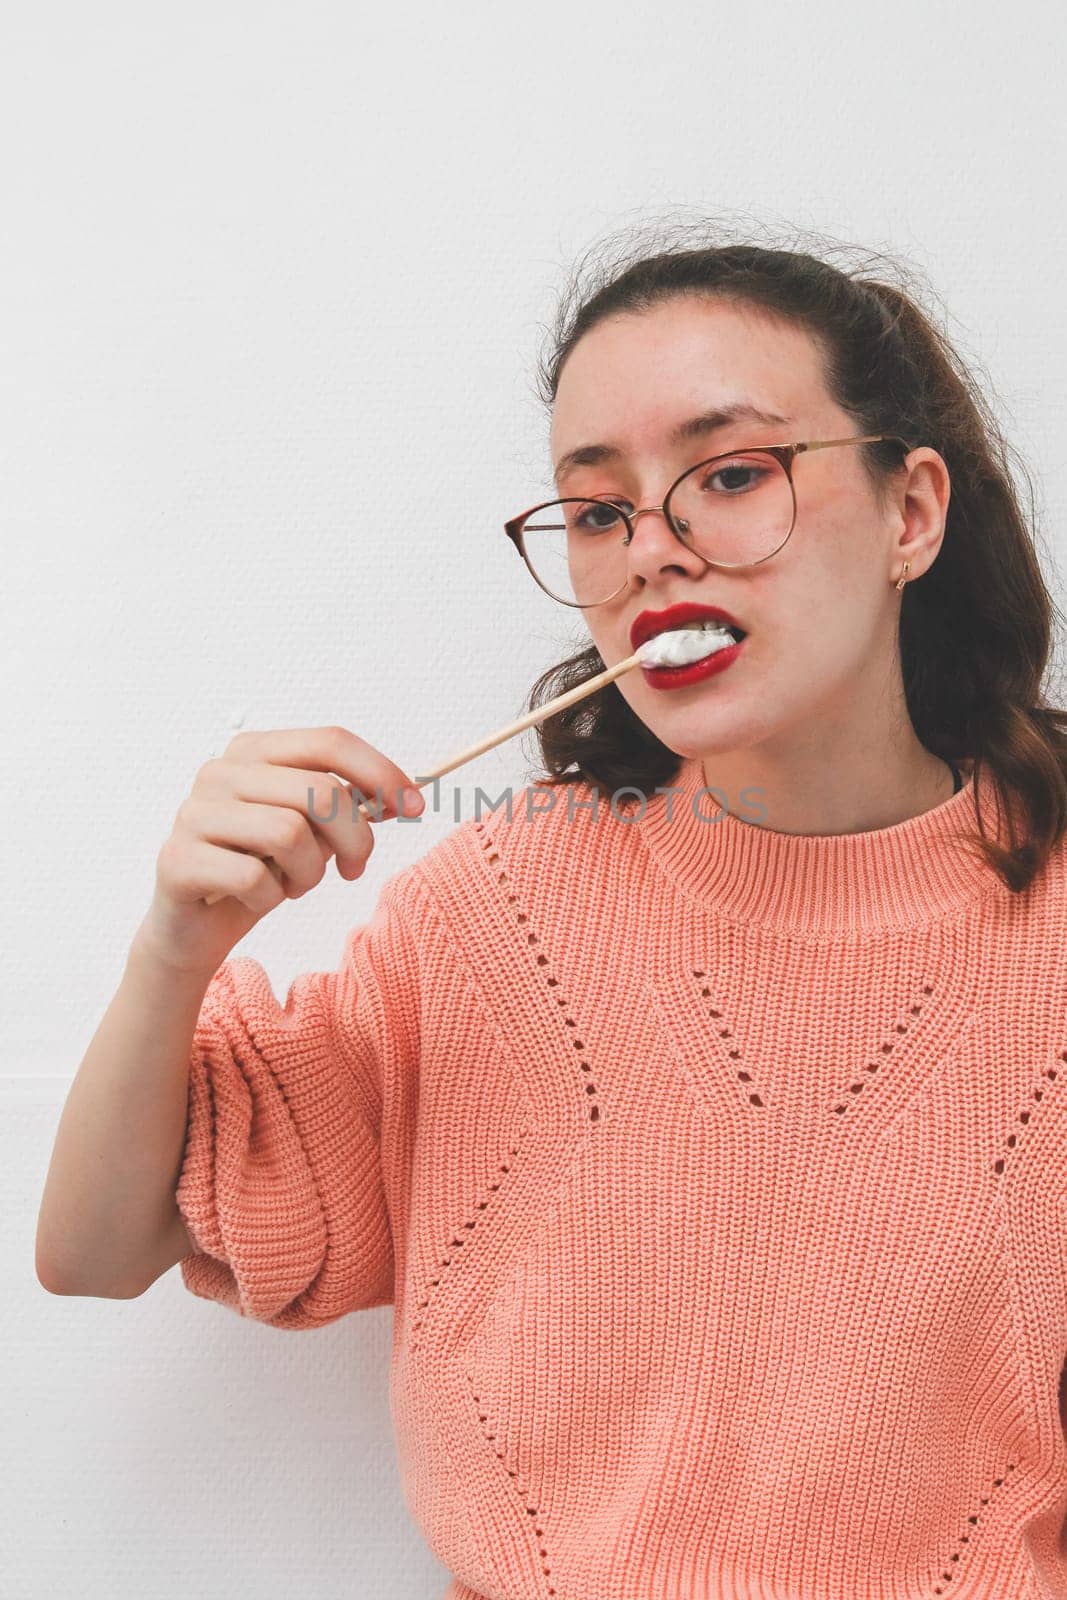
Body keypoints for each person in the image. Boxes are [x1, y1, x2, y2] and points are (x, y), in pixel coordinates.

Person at [36, 228, 1067, 1600]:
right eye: (598, 509)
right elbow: (93, 1253)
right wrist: (178, 945)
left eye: (733, 475)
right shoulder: (496, 910)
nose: (655, 549)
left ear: (911, 514)